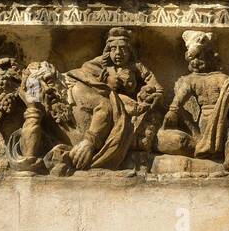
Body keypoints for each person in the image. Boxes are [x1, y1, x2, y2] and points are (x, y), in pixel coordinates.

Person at [63, 28, 163, 171]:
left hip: (127, 104)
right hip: (108, 102)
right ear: (108, 51)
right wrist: (106, 77)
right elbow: (85, 68)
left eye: (123, 49)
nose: (118, 53)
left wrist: (153, 94)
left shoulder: (136, 67)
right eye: (113, 49)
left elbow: (156, 86)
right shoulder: (102, 64)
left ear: (130, 51)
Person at [160, 30, 229, 169]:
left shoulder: (221, 78)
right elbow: (179, 100)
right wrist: (173, 111)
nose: (197, 61)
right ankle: (215, 160)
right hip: (205, 117)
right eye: (193, 59)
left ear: (211, 56)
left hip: (220, 114)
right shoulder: (191, 80)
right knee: (219, 139)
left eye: (200, 56)